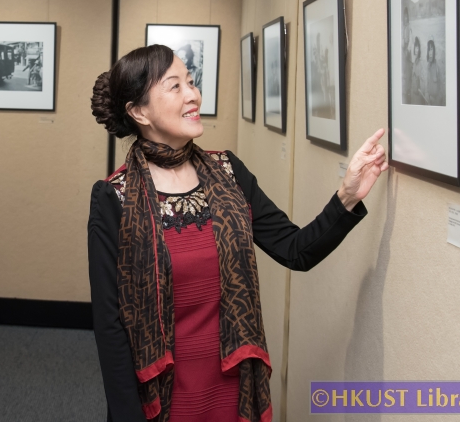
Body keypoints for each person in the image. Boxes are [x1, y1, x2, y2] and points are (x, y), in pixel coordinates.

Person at [87, 45, 388, 422]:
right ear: (139, 111)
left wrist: (347, 195)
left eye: (192, 82)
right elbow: (110, 326)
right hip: (160, 398)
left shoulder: (229, 172)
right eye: (175, 86)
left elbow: (296, 250)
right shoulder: (114, 197)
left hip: (233, 387)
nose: (193, 95)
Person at [425, 39, 443, 106]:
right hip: (428, 103)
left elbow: (441, 89)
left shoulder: (438, 67)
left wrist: (436, 102)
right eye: (429, 50)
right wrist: (427, 97)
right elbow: (427, 84)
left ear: (434, 51)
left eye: (431, 49)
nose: (430, 52)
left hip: (436, 103)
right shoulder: (427, 66)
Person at [410, 36, 426, 105]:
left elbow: (423, 80)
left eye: (417, 47)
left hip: (419, 96)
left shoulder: (420, 63)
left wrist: (420, 88)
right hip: (413, 95)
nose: (416, 49)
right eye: (415, 47)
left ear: (419, 49)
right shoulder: (414, 62)